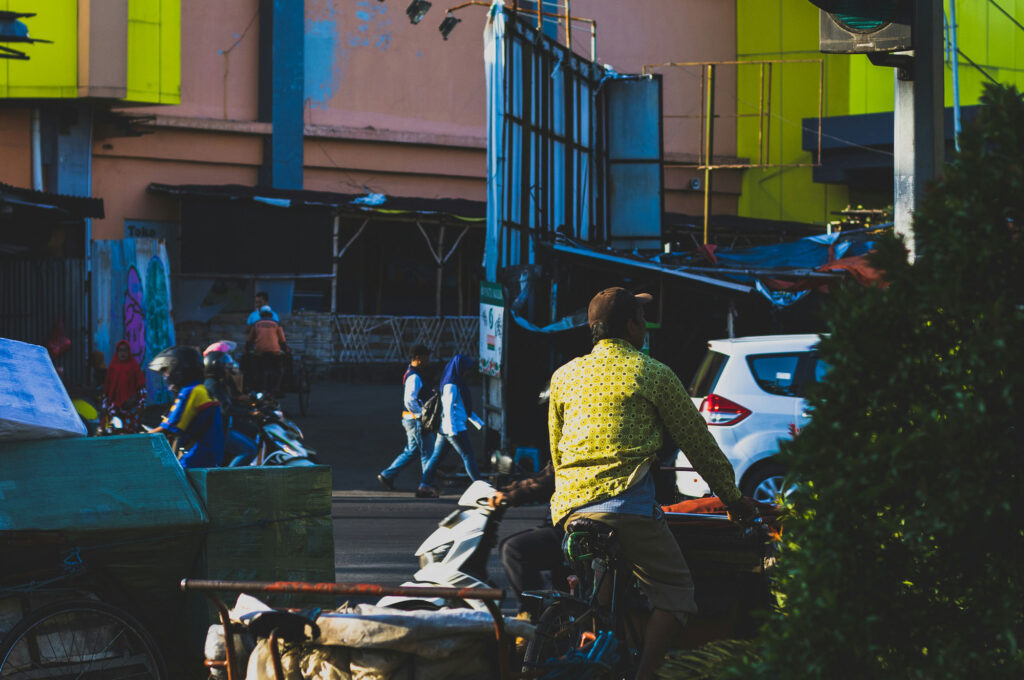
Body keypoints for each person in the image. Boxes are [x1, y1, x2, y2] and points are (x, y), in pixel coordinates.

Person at [548, 287, 756, 680]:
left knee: (601, 594)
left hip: (571, 512)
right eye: (641, 319)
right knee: (677, 595)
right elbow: (698, 442)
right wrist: (731, 498)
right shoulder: (651, 372)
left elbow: (557, 451)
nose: (645, 325)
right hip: (626, 508)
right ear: (630, 326)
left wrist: (567, 502)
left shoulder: (565, 376)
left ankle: (602, 656)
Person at [489, 462, 571, 618]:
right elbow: (544, 476)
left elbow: (552, 480)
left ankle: (531, 615)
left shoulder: (579, 445)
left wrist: (512, 496)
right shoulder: (567, 445)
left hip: (572, 527)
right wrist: (509, 489)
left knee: (514, 550)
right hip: (562, 523)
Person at [147, 346, 225, 468]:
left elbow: (169, 428)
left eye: (166, 370)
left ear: (178, 369)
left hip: (194, 459)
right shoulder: (202, 390)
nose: (165, 375)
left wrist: (137, 438)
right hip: (210, 457)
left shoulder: (190, 392)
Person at [417, 354, 483, 498]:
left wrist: (478, 422)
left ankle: (424, 485)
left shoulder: (456, 382)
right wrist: (453, 431)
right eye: (466, 369)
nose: (468, 373)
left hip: (446, 428)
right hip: (454, 428)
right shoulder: (451, 384)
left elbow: (462, 407)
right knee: (468, 456)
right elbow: (448, 409)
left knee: (436, 457)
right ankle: (481, 487)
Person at [377, 344, 434, 490]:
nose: (429, 359)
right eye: (427, 356)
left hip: (410, 419)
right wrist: (420, 416)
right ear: (419, 358)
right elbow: (409, 400)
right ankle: (427, 484)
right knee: (427, 452)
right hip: (415, 420)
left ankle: (387, 475)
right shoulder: (414, 376)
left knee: (412, 451)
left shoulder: (414, 373)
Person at [100, 339, 147, 433]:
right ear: (117, 352)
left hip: (129, 407)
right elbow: (107, 389)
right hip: (113, 408)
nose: (123, 353)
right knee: (110, 431)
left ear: (129, 352)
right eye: (120, 350)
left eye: (125, 350)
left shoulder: (134, 367)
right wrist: (104, 405)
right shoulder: (112, 367)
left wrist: (141, 404)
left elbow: (141, 387)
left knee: (128, 432)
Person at [246, 305, 288, 394]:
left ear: (261, 315)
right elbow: (282, 340)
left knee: (257, 369)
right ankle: (276, 388)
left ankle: (258, 388)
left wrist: (246, 349)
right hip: (274, 351)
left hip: (259, 352)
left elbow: (249, 340)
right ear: (270, 314)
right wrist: (286, 349)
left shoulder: (256, 324)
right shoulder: (276, 324)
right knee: (279, 369)